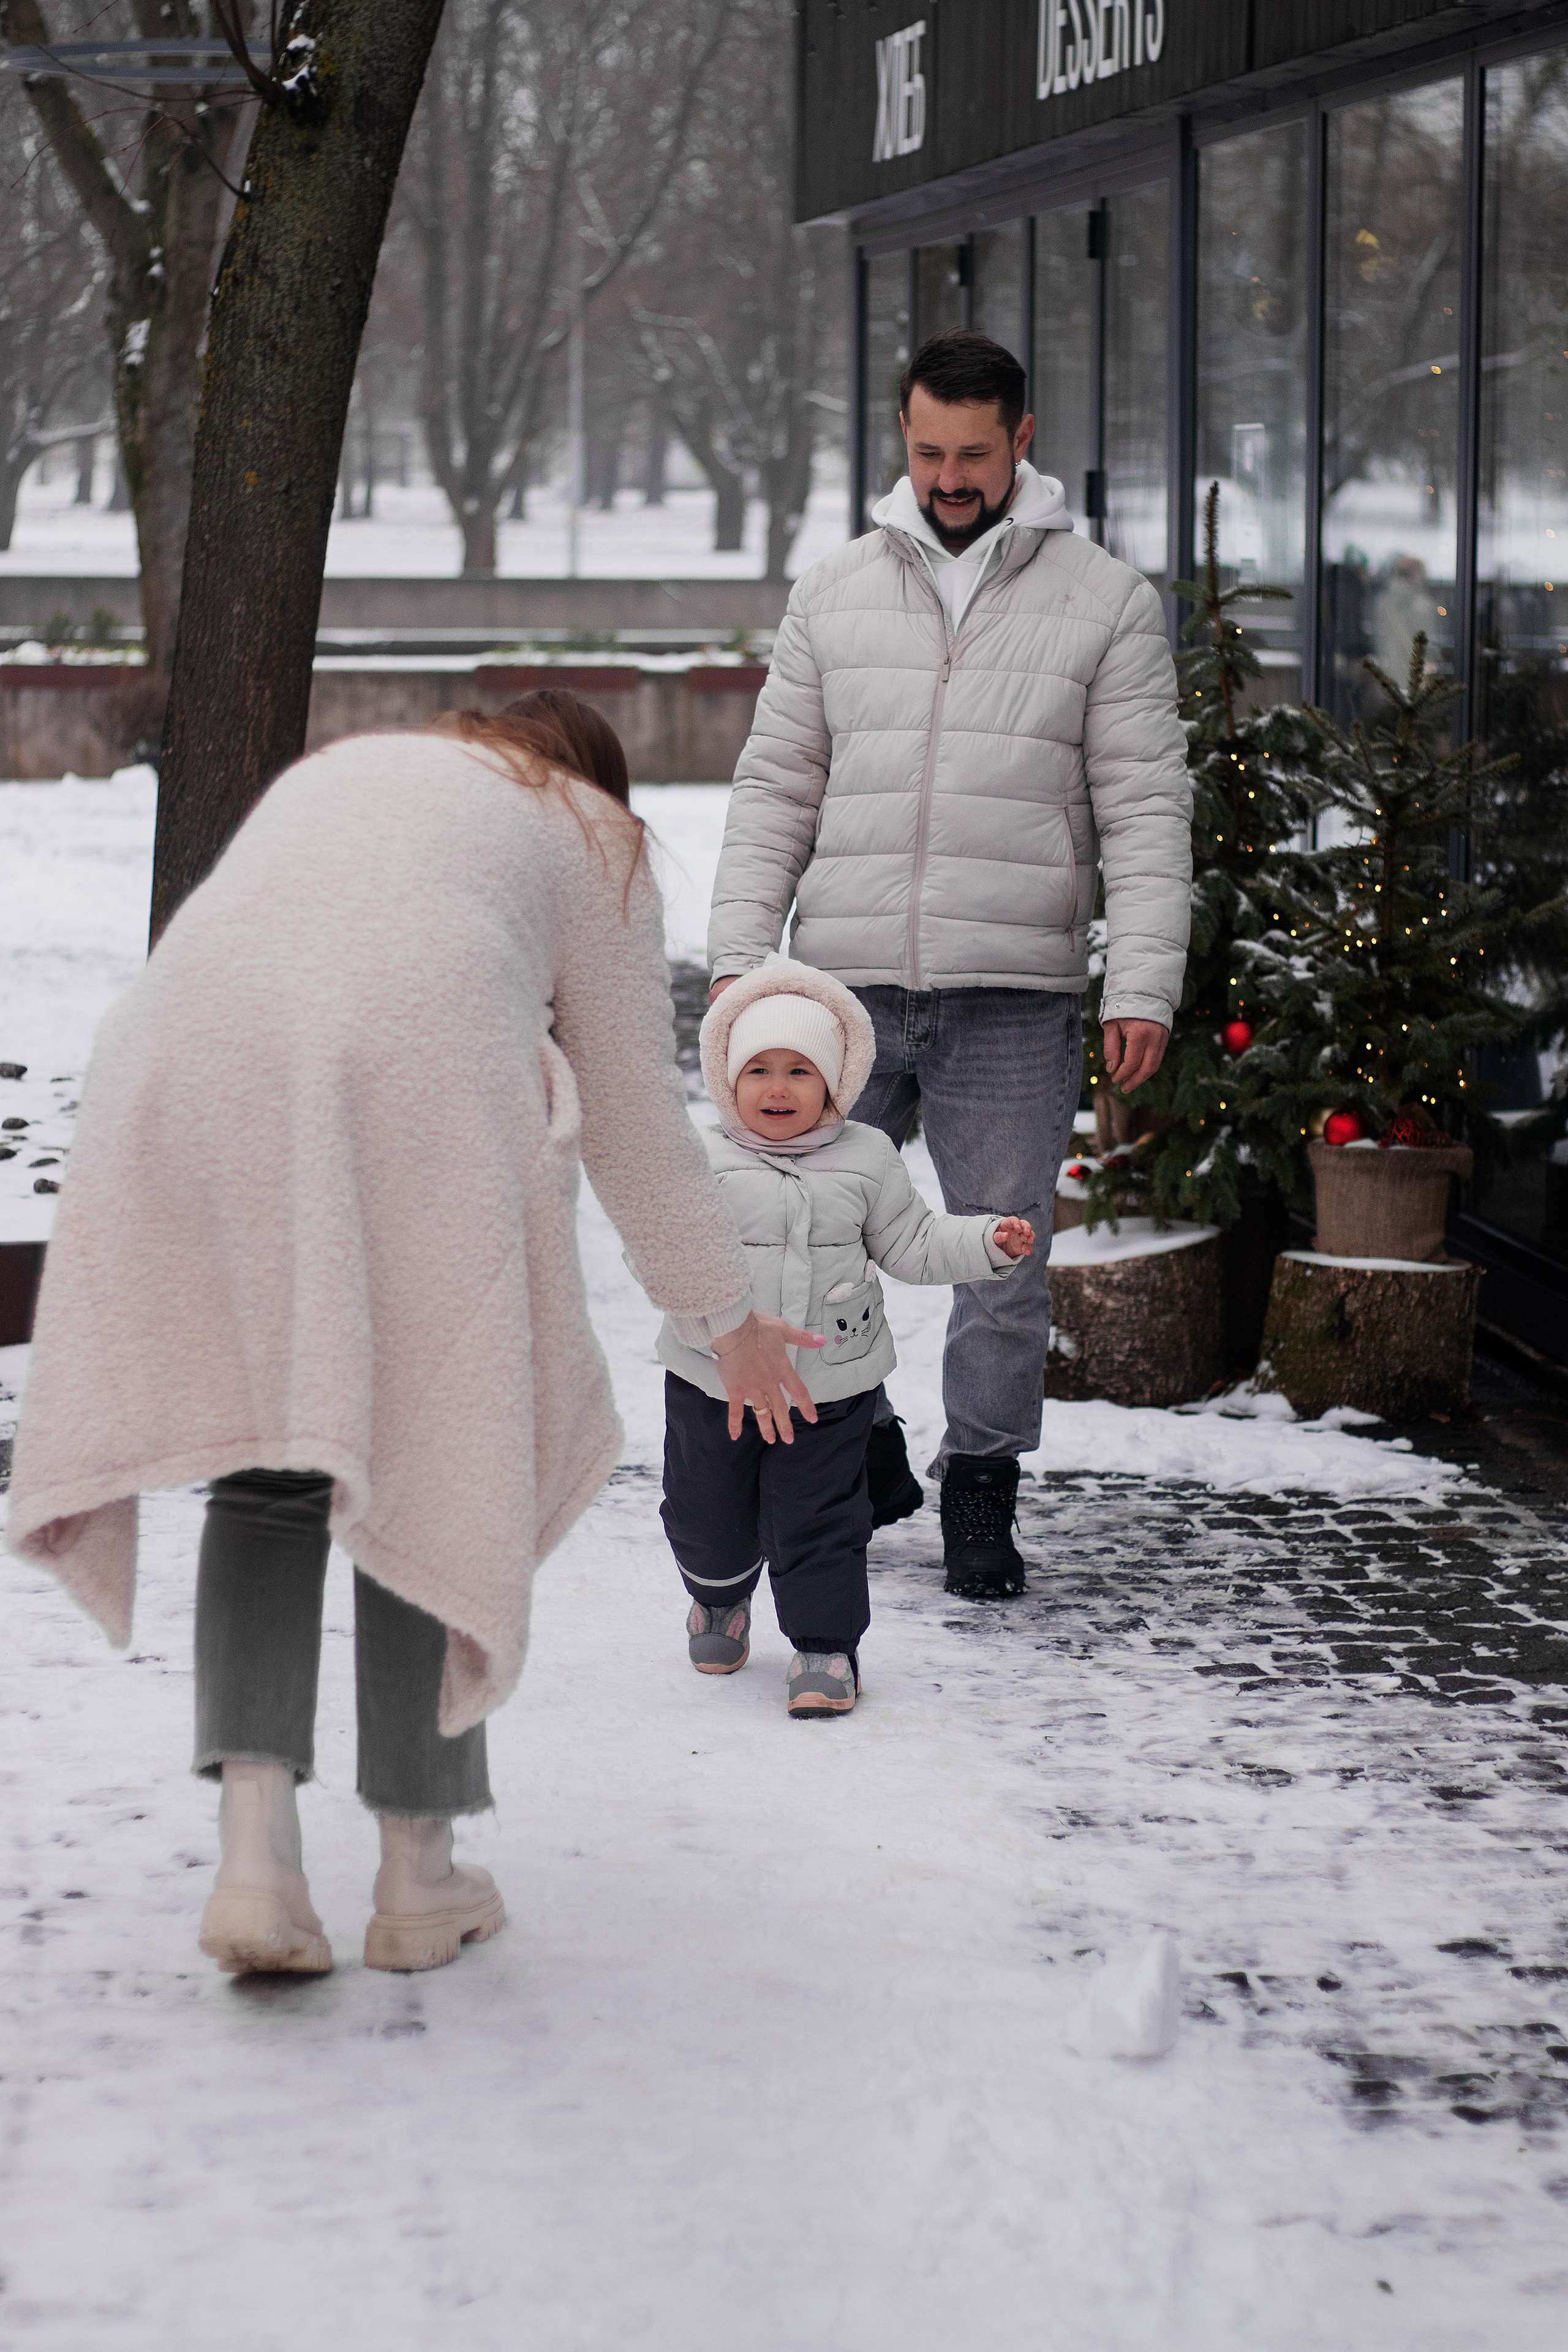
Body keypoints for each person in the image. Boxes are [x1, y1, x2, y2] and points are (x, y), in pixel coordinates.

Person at [6, 690, 821, 1977]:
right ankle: (415, 1869)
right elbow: (629, 1120)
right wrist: (727, 1320)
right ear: (597, 783)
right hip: (400, 1074)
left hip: (176, 1063)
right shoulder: (588, 833)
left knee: (273, 1470)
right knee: (427, 1441)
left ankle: (256, 1867)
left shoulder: (355, 770)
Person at [708, 329, 1191, 1600]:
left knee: (1000, 1255)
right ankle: (858, 1439)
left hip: (1012, 995)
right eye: (927, 451)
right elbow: (775, 787)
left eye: (973, 452)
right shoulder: (834, 593)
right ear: (903, 441)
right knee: (803, 1237)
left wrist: (1140, 981)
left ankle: (981, 1488)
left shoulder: (1103, 602)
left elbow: (1143, 807)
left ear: (1020, 440)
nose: (949, 475)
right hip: (845, 992)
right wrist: (738, 961)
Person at [655, 959, 1035, 1718]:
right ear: (729, 1078)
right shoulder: (697, 1158)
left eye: (800, 1071)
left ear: (835, 1082)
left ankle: (825, 1645)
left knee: (821, 1521)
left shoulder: (866, 1156)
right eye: (758, 1069)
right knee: (706, 1517)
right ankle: (719, 1598)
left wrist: (986, 1243)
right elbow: (662, 1255)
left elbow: (913, 1243)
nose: (776, 1088)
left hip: (829, 1388)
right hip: (714, 1381)